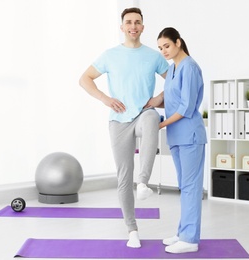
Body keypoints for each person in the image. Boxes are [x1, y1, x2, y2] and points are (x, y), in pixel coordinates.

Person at [79, 7, 168, 248]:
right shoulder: (110, 55)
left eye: (137, 22)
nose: (133, 26)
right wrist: (105, 99)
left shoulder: (153, 56)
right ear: (122, 27)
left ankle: (144, 182)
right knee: (123, 176)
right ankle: (132, 230)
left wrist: (159, 98)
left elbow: (175, 79)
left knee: (152, 118)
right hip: (118, 121)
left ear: (143, 27)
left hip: (142, 114)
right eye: (128, 22)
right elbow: (84, 78)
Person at [154, 27, 207, 253]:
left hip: (190, 136)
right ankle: (182, 232)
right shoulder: (172, 69)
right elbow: (172, 101)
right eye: (160, 48)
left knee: (192, 187)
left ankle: (190, 239)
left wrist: (162, 124)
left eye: (166, 46)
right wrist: (150, 104)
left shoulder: (190, 67)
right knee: (184, 186)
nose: (164, 51)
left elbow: (186, 106)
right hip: (176, 136)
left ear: (178, 42)